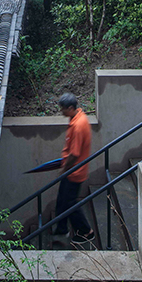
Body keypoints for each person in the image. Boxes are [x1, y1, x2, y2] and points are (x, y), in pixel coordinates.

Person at [54, 92, 95, 246]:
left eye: (63, 109)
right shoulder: (78, 117)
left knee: (70, 203)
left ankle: (86, 231)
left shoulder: (78, 126)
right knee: (62, 199)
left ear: (71, 108)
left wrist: (64, 168)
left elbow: (75, 153)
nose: (61, 112)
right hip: (72, 170)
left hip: (74, 171)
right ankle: (61, 227)